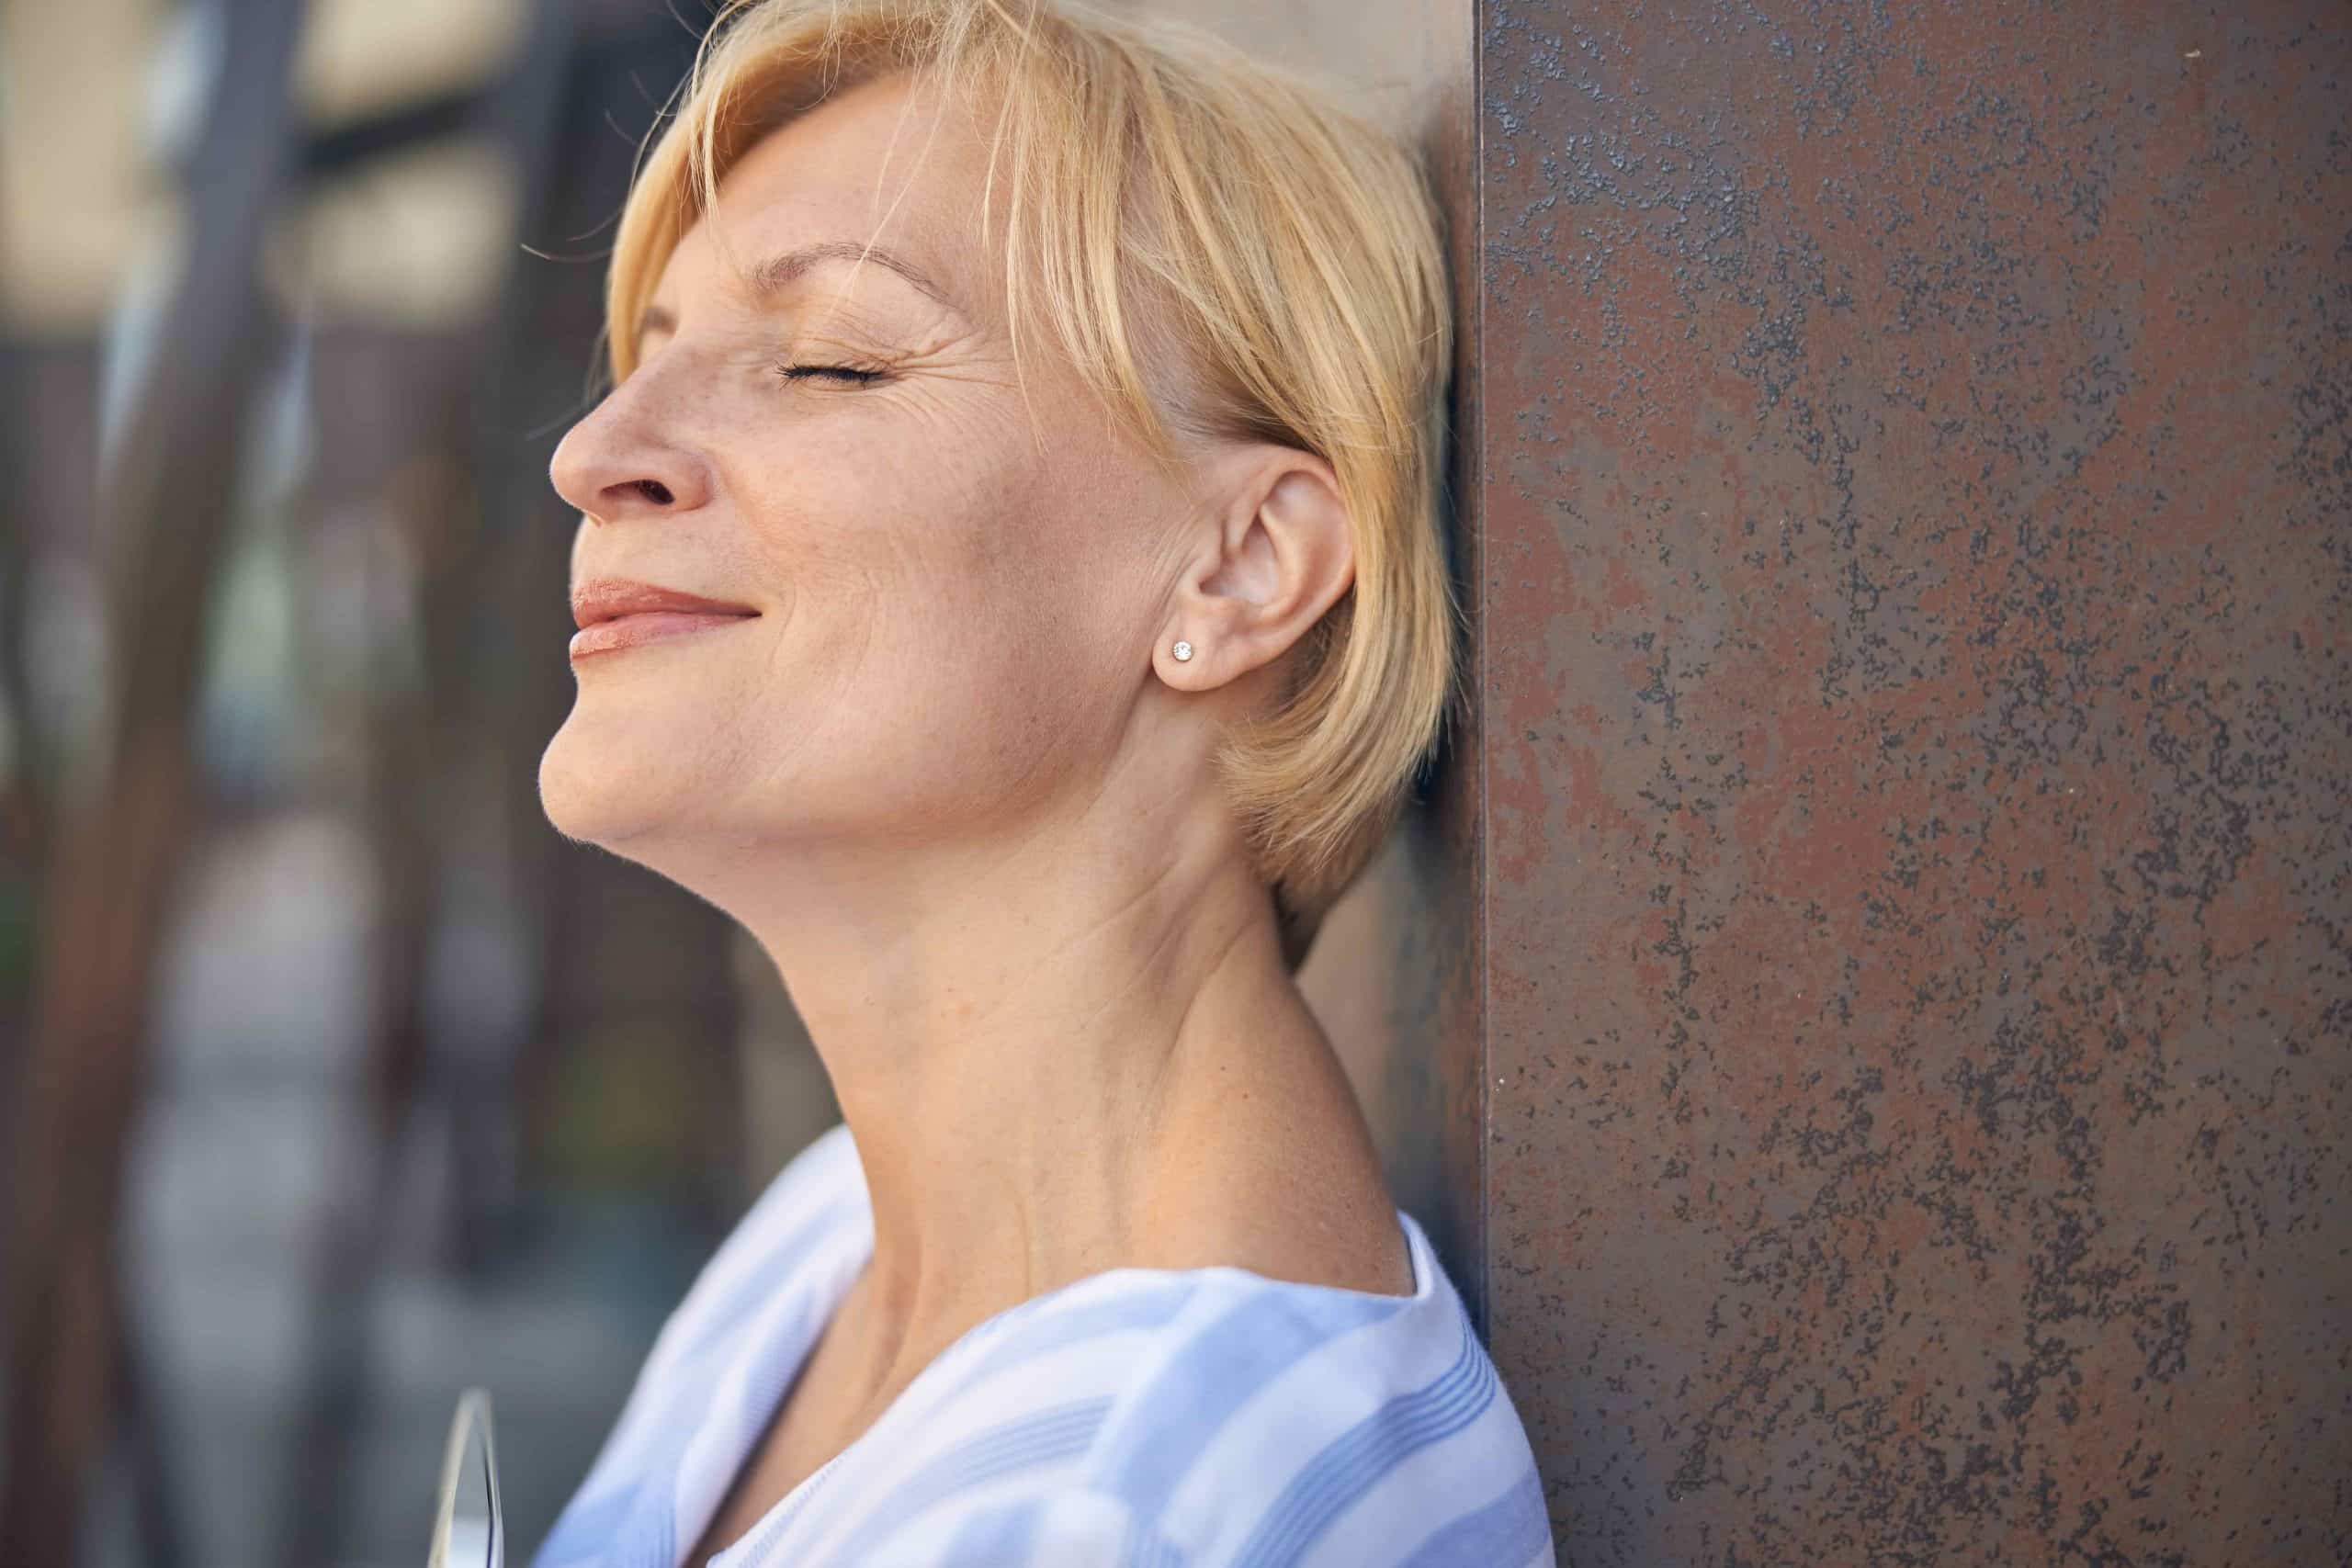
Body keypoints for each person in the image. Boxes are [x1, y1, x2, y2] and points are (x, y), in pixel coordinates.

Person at [530, 0, 1552, 1562]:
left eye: (830, 363)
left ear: (1238, 568)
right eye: (649, 361)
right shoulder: (823, 1254)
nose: (597, 450)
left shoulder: (1150, 1507)